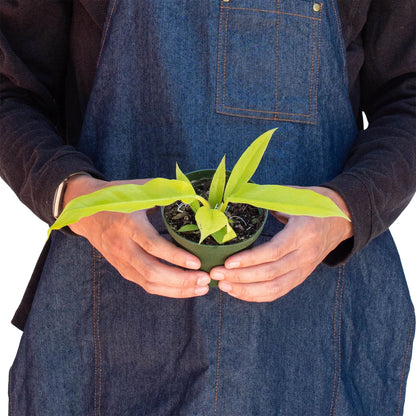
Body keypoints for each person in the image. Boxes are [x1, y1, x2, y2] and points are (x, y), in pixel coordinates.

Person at [1, 0, 415, 414]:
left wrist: (346, 210)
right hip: (109, 327)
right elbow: (10, 88)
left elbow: (407, 91)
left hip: (317, 330)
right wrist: (81, 200)